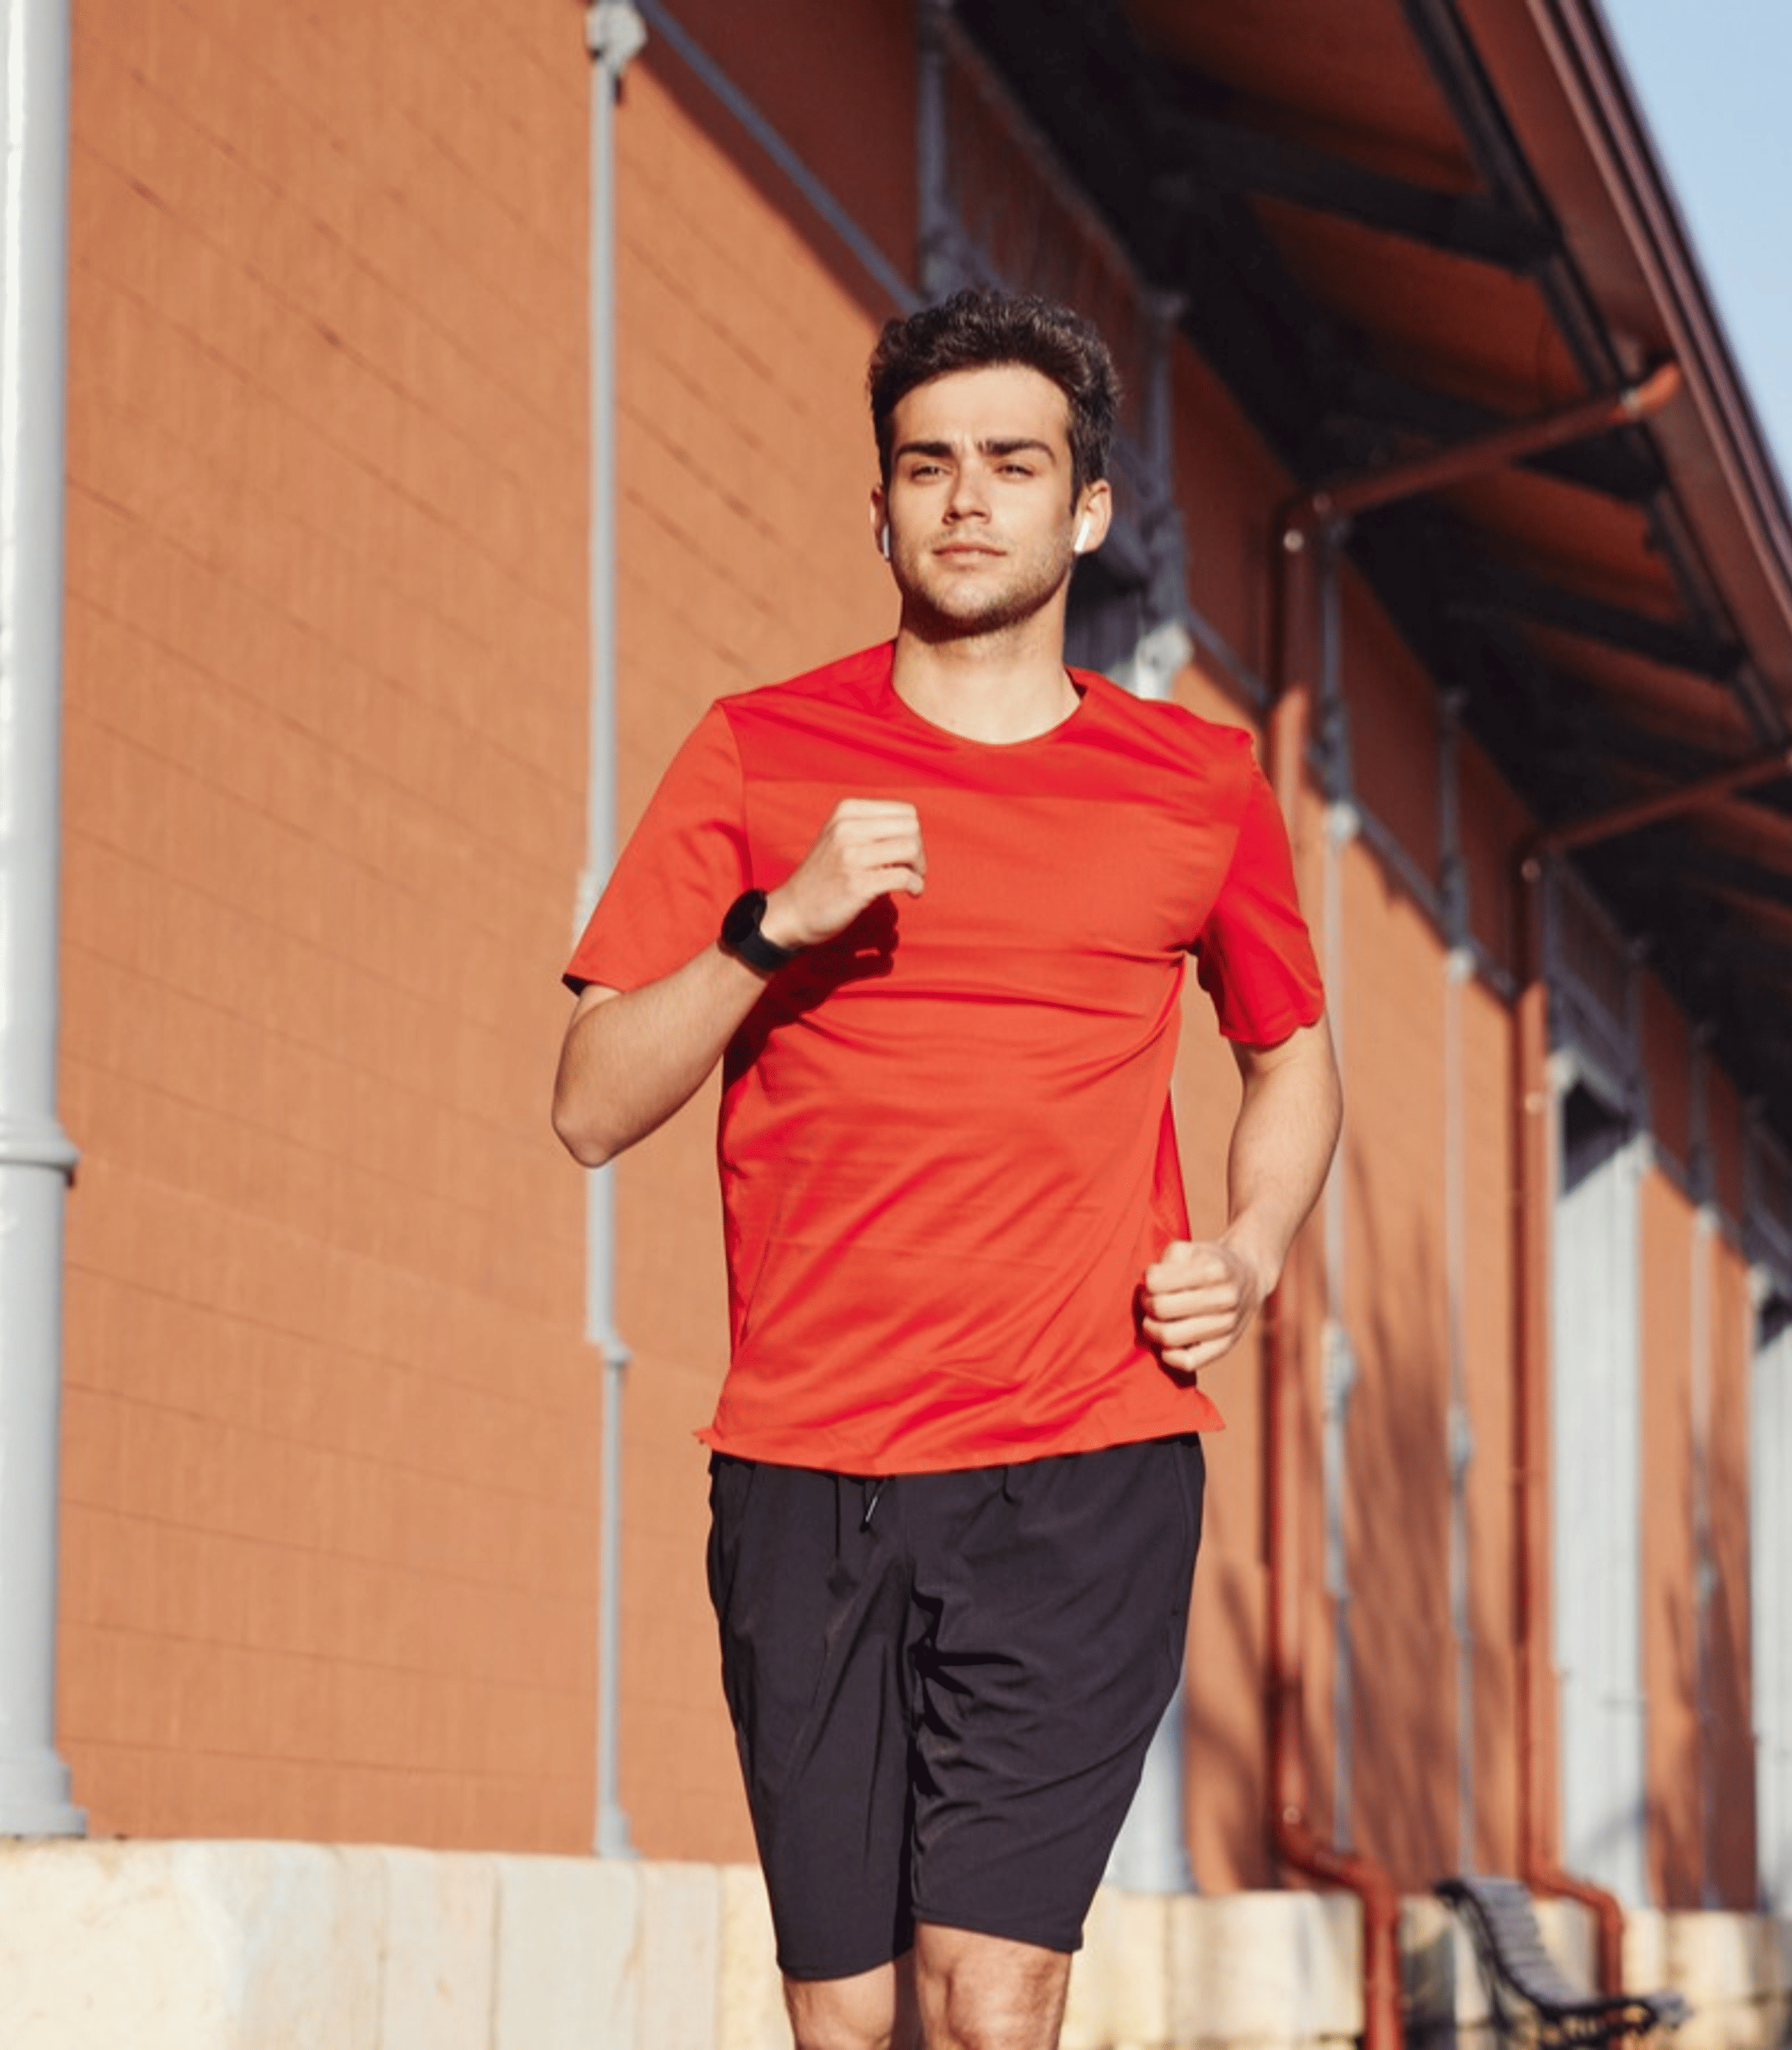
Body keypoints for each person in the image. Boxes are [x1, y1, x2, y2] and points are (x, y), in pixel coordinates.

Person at [552, 288, 1341, 2050]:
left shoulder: (1196, 781)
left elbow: (1289, 1053)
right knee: (849, 2019)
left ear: (1087, 508)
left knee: (992, 2000)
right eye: (927, 467)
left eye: (1011, 463)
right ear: (884, 505)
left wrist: (1259, 1242)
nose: (966, 499)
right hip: (805, 1466)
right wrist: (776, 926)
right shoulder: (760, 756)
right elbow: (592, 1099)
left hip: (1084, 1461)